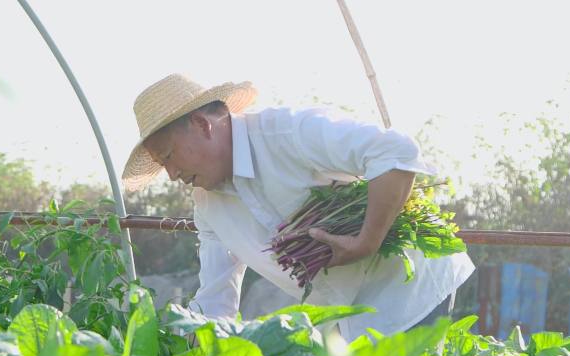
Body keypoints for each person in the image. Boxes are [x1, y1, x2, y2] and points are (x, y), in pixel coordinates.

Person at [122, 73, 474, 341]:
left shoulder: (289, 133)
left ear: (202, 125)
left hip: (411, 290)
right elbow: (216, 297)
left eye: (168, 157)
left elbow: (394, 153)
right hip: (346, 318)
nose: (170, 175)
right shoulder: (208, 206)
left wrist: (366, 240)